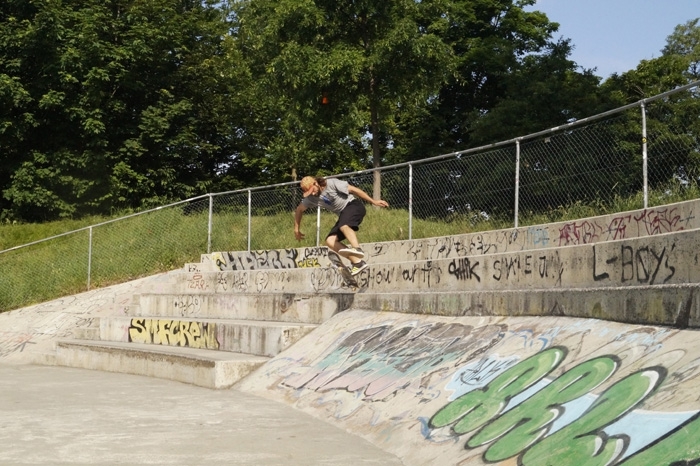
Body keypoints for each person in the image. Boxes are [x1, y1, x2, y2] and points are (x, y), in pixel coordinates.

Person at [294, 176, 389, 275]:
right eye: (309, 193)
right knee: (330, 241)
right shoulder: (311, 198)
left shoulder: (331, 183)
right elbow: (299, 210)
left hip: (353, 205)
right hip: (344, 215)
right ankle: (357, 263)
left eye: (312, 190)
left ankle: (357, 248)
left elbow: (354, 189)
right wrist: (296, 229)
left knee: (344, 225)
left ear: (316, 183)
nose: (313, 194)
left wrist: (373, 201)